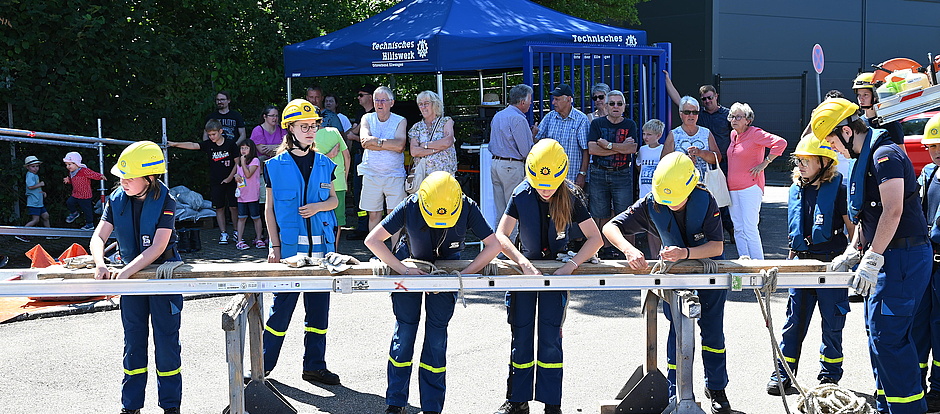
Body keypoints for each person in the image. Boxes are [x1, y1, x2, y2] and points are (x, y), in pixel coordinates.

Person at [817, 98, 930, 414]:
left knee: (889, 339)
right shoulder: (865, 158)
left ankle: (907, 410)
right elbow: (869, 215)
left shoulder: (885, 155)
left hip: (903, 258)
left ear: (846, 131)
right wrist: (854, 249)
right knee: (878, 335)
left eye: (831, 141)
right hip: (888, 259)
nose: (833, 149)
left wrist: (873, 257)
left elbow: (893, 211)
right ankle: (887, 406)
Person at [602, 152, 731, 414]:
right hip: (675, 277)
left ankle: (717, 390)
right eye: (667, 200)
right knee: (677, 333)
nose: (671, 205)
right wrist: (629, 250)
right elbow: (610, 227)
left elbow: (717, 245)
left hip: (709, 271)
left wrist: (685, 253)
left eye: (677, 200)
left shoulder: (705, 199)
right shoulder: (653, 202)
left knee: (713, 332)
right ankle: (675, 392)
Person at [365, 171, 502, 414]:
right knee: (405, 333)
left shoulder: (467, 206)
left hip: (449, 272)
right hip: (410, 266)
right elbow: (373, 240)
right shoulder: (411, 204)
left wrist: (465, 275)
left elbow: (494, 245)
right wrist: (403, 269)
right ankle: (396, 403)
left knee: (436, 339)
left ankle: (432, 407)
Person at [493, 139, 603, 414]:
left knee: (551, 338)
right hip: (525, 275)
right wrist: (522, 263)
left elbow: (595, 239)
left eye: (550, 185)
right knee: (521, 335)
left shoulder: (571, 195)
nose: (545, 190)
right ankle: (517, 400)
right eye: (540, 185)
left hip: (558, 273)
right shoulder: (520, 193)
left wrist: (573, 265)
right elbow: (501, 235)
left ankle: (552, 403)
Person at [89, 141, 182, 414]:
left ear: (150, 177)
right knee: (133, 342)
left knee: (166, 343)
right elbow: (98, 236)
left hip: (162, 278)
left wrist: (125, 273)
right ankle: (130, 407)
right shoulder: (116, 200)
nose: (123, 182)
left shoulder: (166, 200)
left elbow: (158, 246)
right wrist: (100, 263)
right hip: (130, 280)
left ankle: (170, 406)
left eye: (129, 177)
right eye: (121, 177)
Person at [261, 98, 341, 386]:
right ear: (289, 129)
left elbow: (333, 200)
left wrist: (319, 207)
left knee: (318, 313)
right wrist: (274, 246)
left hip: (323, 256)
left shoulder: (325, 163)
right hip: (290, 255)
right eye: (303, 126)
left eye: (313, 126)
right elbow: (269, 210)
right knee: (280, 312)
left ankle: (314, 367)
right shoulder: (274, 166)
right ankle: (261, 368)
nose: (310, 131)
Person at [766, 134, 853, 395]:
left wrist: (852, 259)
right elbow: (796, 229)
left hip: (831, 266)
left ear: (824, 162)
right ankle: (783, 373)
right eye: (799, 160)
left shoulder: (838, 187)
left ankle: (830, 376)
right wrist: (790, 259)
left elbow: (852, 227)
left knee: (832, 322)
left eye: (807, 160)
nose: (801, 165)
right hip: (802, 265)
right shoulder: (797, 188)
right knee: (794, 322)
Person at [664, 73, 735, 241]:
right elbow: (679, 100)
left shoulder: (727, 114)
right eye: (704, 99)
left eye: (709, 98)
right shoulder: (698, 116)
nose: (707, 101)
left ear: (716, 96)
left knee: (722, 205)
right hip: (683, 184)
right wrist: (666, 79)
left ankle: (728, 233)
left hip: (717, 168)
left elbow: (740, 129)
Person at [725, 102, 786, 260]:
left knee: (750, 227)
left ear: (748, 119)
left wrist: (765, 162)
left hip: (750, 187)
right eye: (732, 116)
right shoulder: (734, 135)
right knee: (738, 228)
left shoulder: (755, 133)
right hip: (733, 187)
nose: (734, 119)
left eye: (739, 116)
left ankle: (759, 265)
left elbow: (780, 143)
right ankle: (743, 262)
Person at [168, 119, 240, 245]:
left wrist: (230, 177)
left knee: (234, 207)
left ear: (221, 131)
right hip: (216, 181)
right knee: (219, 207)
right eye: (209, 135)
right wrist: (174, 144)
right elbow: (193, 145)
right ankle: (223, 233)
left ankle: (237, 231)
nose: (211, 137)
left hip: (232, 181)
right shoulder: (208, 144)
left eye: (214, 134)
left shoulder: (231, 144)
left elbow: (237, 162)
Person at [586, 90, 638, 260]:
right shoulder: (597, 124)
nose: (616, 106)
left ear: (624, 106)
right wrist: (619, 147)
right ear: (606, 106)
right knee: (599, 213)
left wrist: (607, 145)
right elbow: (593, 150)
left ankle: (626, 250)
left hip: (621, 174)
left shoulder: (630, 125)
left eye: (619, 103)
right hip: (599, 173)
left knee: (624, 212)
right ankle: (603, 249)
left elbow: (631, 149)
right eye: (612, 103)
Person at [359, 86, 408, 238]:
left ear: (392, 103)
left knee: (394, 216)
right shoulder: (367, 118)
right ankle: (376, 253)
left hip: (395, 175)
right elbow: (364, 142)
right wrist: (388, 144)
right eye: (376, 100)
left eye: (383, 100)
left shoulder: (400, 120)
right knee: (373, 215)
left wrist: (376, 142)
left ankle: (396, 253)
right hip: (371, 174)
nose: (380, 103)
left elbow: (400, 146)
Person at [915, 112, 940, 411]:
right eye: (931, 146)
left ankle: (938, 388)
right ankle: (917, 381)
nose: (935, 152)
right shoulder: (928, 175)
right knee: (919, 325)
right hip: (926, 263)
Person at [489, 84, 537, 220]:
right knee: (514, 211)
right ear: (522, 102)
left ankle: (499, 239)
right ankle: (512, 241)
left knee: (500, 210)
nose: (530, 104)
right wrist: (532, 136)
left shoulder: (498, 116)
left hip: (496, 165)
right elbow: (525, 151)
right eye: (529, 100)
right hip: (511, 167)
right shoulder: (518, 119)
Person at [534, 84, 590, 189]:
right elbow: (537, 143)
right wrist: (533, 134)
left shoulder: (581, 119)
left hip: (571, 178)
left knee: (571, 205)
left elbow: (586, 150)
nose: (553, 102)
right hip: (551, 176)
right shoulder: (549, 117)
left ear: (568, 99)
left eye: (557, 99)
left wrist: (582, 174)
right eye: (554, 99)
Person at [661, 96, 721, 178]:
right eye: (687, 112)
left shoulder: (706, 133)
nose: (691, 115)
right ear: (680, 114)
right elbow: (663, 163)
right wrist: (683, 161)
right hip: (680, 184)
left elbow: (717, 158)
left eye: (695, 112)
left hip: (704, 184)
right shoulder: (674, 134)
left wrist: (700, 153)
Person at [346, 84, 377, 240]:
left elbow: (373, 140)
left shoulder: (377, 114)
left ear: (370, 97)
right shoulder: (360, 114)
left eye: (361, 95)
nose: (358, 98)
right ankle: (361, 226)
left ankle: (374, 228)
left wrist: (355, 136)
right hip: (358, 157)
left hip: (372, 158)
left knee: (373, 193)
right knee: (358, 193)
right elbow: (350, 134)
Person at [408, 90, 457, 176]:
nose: (423, 107)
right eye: (420, 104)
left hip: (444, 176)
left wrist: (425, 145)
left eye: (426, 103)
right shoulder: (416, 127)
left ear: (435, 104)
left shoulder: (445, 121)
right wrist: (436, 149)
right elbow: (414, 151)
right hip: (423, 178)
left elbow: (448, 141)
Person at [315, 125, 350, 242]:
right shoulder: (334, 131)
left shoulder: (305, 137)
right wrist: (344, 177)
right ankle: (333, 250)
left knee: (317, 216)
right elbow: (347, 156)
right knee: (338, 219)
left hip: (316, 183)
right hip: (338, 181)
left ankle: (320, 249)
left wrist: (327, 156)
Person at [636, 119, 665, 256]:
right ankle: (654, 256)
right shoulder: (642, 150)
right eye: (644, 134)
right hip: (644, 193)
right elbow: (639, 166)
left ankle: (661, 254)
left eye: (649, 134)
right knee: (649, 227)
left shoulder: (663, 149)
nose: (645, 137)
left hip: (658, 194)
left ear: (658, 135)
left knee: (659, 227)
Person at [852, 73, 905, 149]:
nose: (861, 99)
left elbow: (901, 153)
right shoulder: (859, 122)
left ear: (876, 96)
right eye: (859, 95)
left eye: (865, 94)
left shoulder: (891, 124)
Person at [233, 139, 264, 250]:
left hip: (252, 195)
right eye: (242, 148)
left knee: (256, 217)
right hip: (242, 195)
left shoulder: (255, 160)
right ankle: (239, 240)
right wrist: (236, 176)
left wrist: (242, 162)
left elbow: (248, 174)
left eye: (246, 148)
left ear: (251, 149)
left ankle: (259, 238)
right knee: (241, 217)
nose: (244, 150)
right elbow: (239, 174)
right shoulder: (240, 164)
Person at [63, 151, 106, 230]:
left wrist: (100, 176)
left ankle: (90, 224)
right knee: (69, 202)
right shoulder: (71, 172)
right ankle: (74, 213)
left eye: (70, 164)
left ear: (77, 163)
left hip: (85, 195)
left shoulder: (83, 170)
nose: (68, 167)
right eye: (66, 165)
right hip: (76, 194)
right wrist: (68, 180)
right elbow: (73, 180)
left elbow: (93, 174)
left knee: (87, 210)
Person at [19, 155, 52, 243]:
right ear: (27, 167)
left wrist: (42, 193)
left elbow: (36, 188)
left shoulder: (34, 175)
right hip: (34, 202)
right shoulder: (30, 175)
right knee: (35, 220)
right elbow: (30, 187)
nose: (35, 168)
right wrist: (40, 184)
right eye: (33, 166)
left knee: (46, 216)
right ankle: (22, 234)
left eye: (37, 166)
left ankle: (49, 234)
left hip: (39, 201)